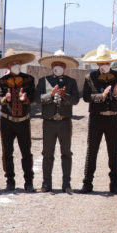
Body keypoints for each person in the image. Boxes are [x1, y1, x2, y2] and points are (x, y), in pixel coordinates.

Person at [78, 45, 117, 194]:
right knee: (92, 150)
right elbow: (86, 97)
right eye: (101, 62)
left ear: (111, 63)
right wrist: (101, 96)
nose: (104, 65)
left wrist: (115, 94)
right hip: (96, 118)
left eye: (107, 62)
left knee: (113, 151)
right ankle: (87, 183)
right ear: (97, 63)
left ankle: (114, 184)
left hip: (112, 118)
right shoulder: (90, 77)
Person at [36, 50, 81, 193]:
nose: (58, 67)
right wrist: (51, 94)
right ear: (51, 66)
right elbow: (37, 99)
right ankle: (46, 184)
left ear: (65, 67)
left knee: (66, 153)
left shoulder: (71, 82)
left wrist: (64, 95)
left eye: (61, 65)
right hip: (49, 122)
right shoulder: (44, 81)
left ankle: (66, 184)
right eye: (55, 64)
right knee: (47, 153)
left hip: (65, 122)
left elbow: (75, 100)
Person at [0, 49, 36, 192]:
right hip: (7, 121)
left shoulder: (29, 79)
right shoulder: (2, 81)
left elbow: (34, 97)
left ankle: (28, 181)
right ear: (7, 66)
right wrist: (6, 99)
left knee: (26, 151)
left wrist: (26, 100)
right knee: (7, 152)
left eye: (18, 62)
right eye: (13, 63)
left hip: (24, 121)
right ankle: (10, 180)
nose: (16, 65)